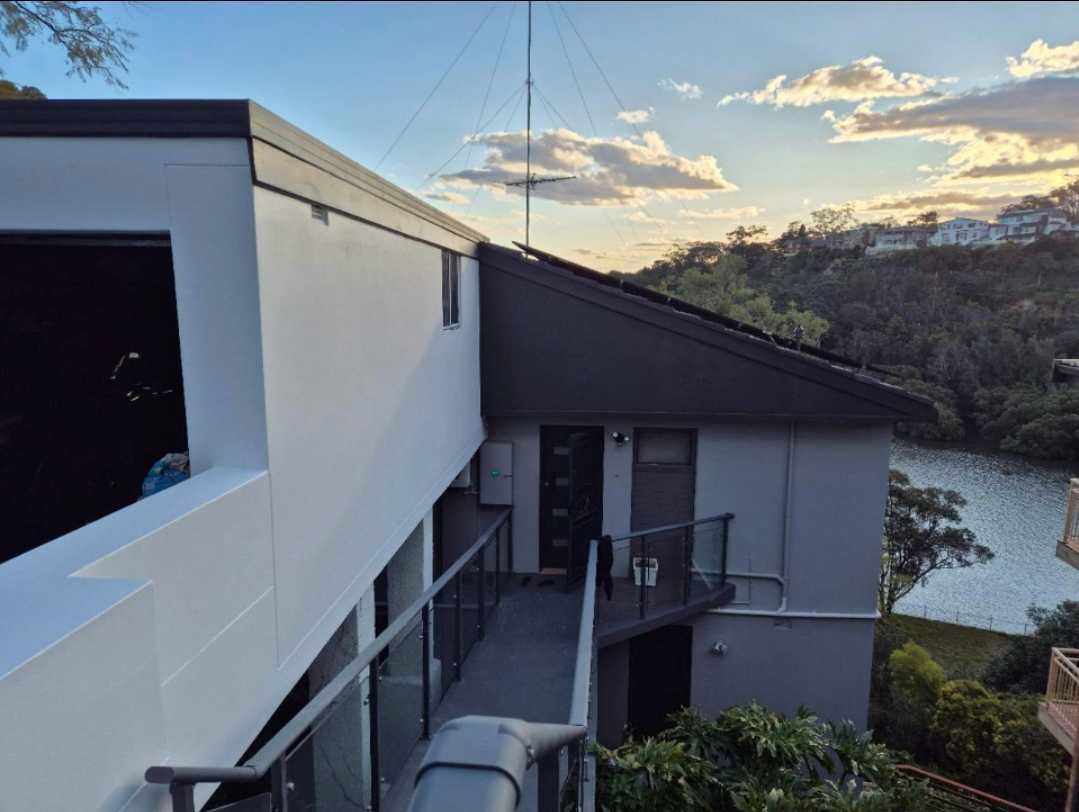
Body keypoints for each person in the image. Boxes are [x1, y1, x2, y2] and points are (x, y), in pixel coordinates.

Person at [596, 534, 614, 601]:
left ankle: (599, 587)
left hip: (603, 563)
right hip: (608, 563)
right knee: (607, 577)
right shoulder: (609, 544)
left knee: (602, 576)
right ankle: (608, 594)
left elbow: (600, 555)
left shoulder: (601, 545)